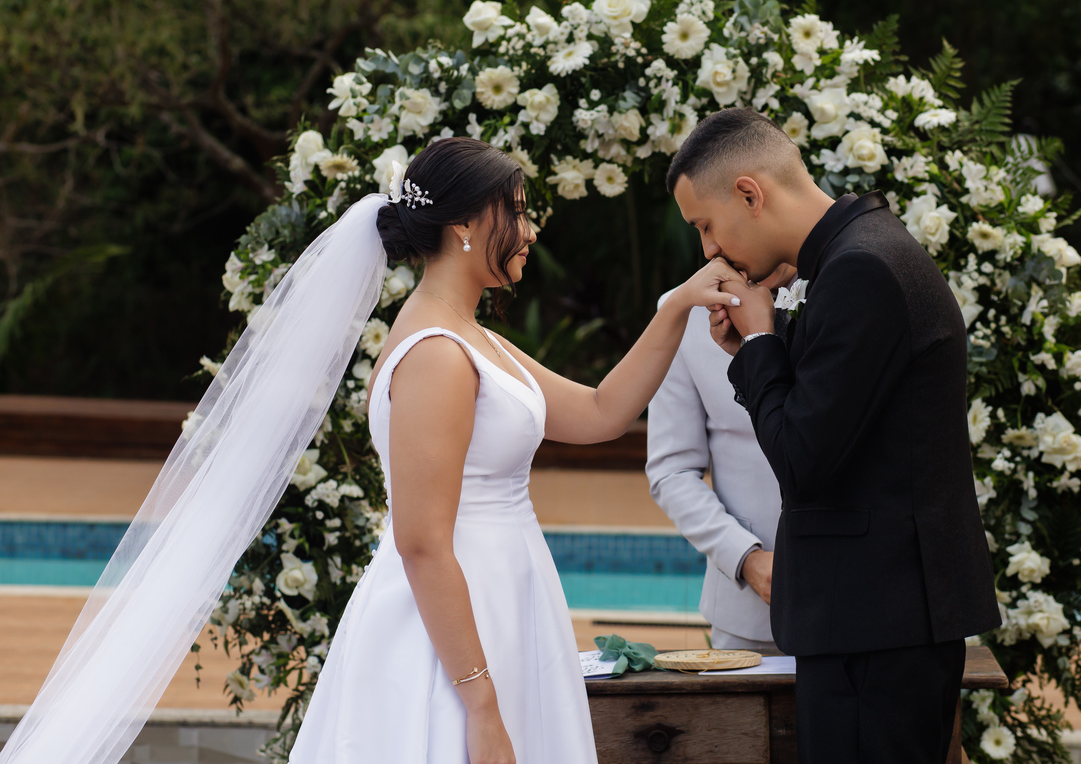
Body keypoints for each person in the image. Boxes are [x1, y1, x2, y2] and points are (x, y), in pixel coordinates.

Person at [0, 137, 743, 764]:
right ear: (463, 226)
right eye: (514, 211)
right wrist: (482, 706)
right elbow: (422, 543)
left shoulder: (474, 337)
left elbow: (599, 411)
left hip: (507, 599)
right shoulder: (437, 355)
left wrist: (677, 305)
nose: (530, 230)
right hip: (450, 635)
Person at [667, 108, 1001, 764]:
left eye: (706, 226)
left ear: (749, 193)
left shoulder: (861, 271)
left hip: (872, 628)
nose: (708, 249)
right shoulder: (865, 252)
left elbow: (803, 459)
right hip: (882, 621)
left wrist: (760, 343)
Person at [645, 264, 797, 656]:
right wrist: (746, 557)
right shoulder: (682, 311)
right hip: (748, 614)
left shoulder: (848, 286)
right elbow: (671, 470)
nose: (709, 248)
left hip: (860, 602)